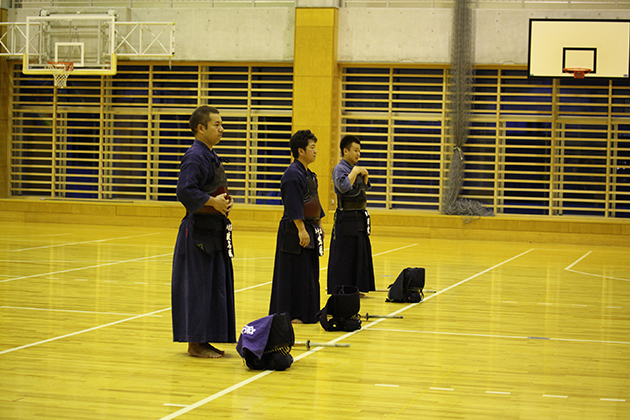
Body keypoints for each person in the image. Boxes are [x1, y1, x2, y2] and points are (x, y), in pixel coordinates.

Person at [171, 105, 236, 358]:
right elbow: (184, 191)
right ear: (201, 128)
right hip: (197, 233)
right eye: (216, 124)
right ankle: (195, 343)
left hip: (213, 232)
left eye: (222, 124)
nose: (222, 129)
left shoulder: (210, 154)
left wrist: (225, 202)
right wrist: (212, 202)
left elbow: (212, 190)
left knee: (213, 287)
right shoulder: (195, 156)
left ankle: (206, 339)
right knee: (198, 288)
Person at [268, 130, 325, 324]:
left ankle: (307, 311)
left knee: (307, 273)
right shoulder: (292, 175)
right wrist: (301, 229)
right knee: (292, 274)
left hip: (309, 227)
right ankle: (291, 313)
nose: (316, 151)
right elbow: (293, 204)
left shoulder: (309, 174)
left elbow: (314, 202)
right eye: (312, 147)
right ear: (301, 151)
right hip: (294, 230)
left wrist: (319, 225)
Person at [327, 135, 375, 297]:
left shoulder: (354, 169)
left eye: (359, 151)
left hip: (359, 217)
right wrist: (355, 172)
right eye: (355, 150)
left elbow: (362, 191)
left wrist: (365, 178)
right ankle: (341, 288)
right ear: (345, 151)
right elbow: (343, 187)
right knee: (345, 256)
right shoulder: (340, 169)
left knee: (358, 253)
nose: (358, 154)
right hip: (346, 218)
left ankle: (355, 288)